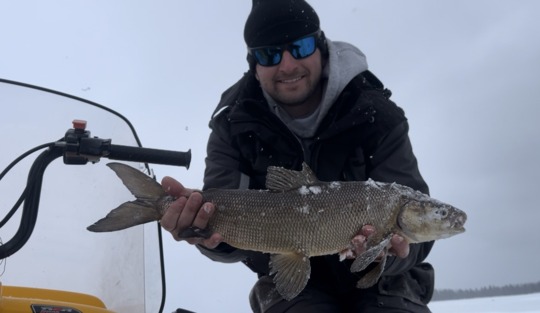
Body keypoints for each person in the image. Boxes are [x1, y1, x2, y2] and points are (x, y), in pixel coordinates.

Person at [160, 0, 435, 312]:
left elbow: (419, 234)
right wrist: (201, 229)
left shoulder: (377, 114)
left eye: (300, 47)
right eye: (270, 54)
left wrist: (396, 254)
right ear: (254, 63)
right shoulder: (232, 126)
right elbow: (226, 230)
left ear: (320, 46)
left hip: (385, 278)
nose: (288, 65)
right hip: (289, 278)